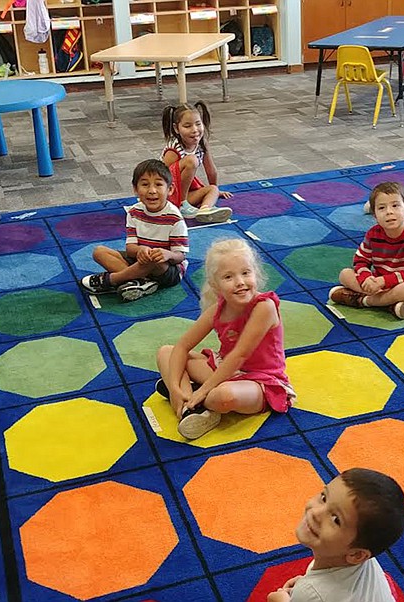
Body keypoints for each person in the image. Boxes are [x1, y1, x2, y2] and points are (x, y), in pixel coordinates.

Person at [155, 238, 295, 439]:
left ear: (255, 273)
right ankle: (186, 408)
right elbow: (182, 346)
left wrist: (202, 390)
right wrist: (176, 388)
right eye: (228, 277)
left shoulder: (264, 306)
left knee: (223, 396)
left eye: (246, 273)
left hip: (261, 381)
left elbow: (240, 355)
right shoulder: (217, 309)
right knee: (165, 353)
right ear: (215, 284)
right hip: (226, 369)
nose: (240, 282)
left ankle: (195, 401)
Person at [266, 468, 404, 602]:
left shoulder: (310, 594)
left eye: (336, 519)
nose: (316, 513)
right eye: (323, 497)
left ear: (357, 555)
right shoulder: (365, 556)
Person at [80, 159, 189, 302]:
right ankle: (138, 283)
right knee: (99, 251)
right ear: (135, 189)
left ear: (170, 189)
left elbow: (180, 256)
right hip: (140, 260)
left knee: (153, 259)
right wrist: (140, 250)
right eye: (144, 184)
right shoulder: (134, 212)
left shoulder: (175, 218)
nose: (151, 190)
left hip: (166, 268)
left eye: (158, 184)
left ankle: (114, 279)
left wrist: (167, 254)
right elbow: (130, 248)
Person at [329, 181, 404, 320]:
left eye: (395, 206)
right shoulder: (373, 234)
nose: (389, 212)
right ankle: (387, 304)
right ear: (375, 216)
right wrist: (367, 278)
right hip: (378, 283)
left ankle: (365, 301)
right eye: (382, 208)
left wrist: (383, 281)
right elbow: (361, 260)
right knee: (345, 274)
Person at [161, 101, 233, 224]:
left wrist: (215, 190)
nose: (195, 130)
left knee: (212, 189)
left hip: (186, 193)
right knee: (191, 160)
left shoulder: (202, 144)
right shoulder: (173, 149)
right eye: (187, 126)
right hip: (169, 193)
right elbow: (162, 176)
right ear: (176, 128)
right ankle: (183, 205)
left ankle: (205, 210)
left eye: (198, 124)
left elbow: (211, 170)